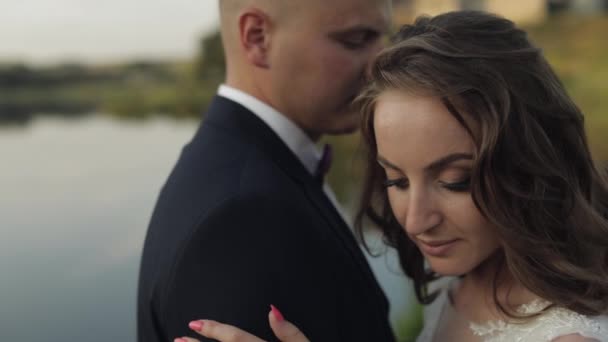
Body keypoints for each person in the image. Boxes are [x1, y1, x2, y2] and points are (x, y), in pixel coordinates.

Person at [176, 10, 608, 342]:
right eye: (396, 181)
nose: (416, 221)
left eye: (455, 180)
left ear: (532, 163)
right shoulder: (459, 278)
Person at [137, 0, 395, 341]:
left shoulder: (242, 170)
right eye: (356, 39)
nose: (381, 64)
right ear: (257, 37)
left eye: (383, 38)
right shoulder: (238, 218)